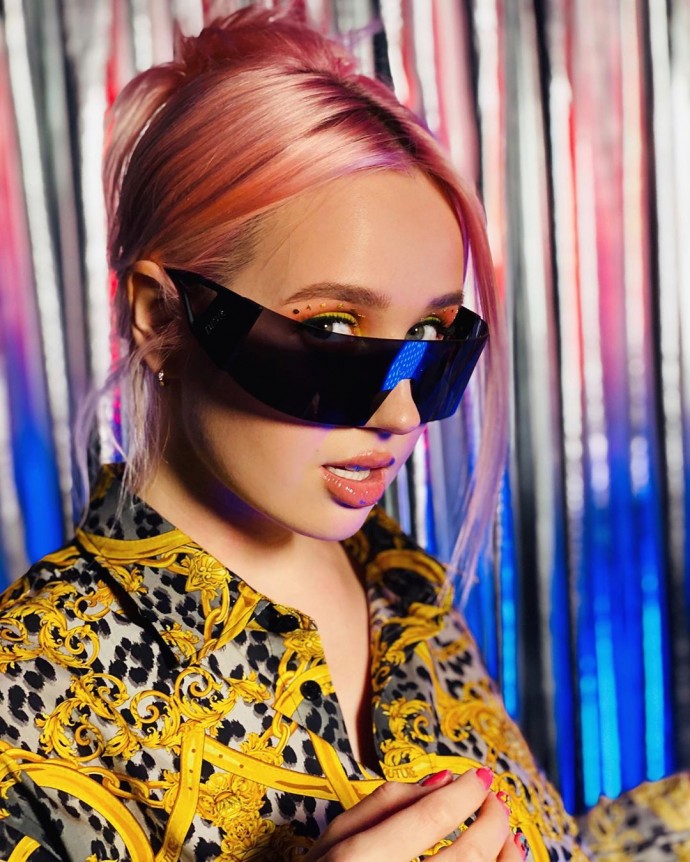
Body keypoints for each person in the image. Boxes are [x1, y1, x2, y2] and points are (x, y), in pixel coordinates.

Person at [0, 7, 686, 862]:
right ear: (158, 316)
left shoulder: (402, 589)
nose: (401, 416)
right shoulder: (31, 700)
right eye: (330, 331)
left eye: (433, 341)